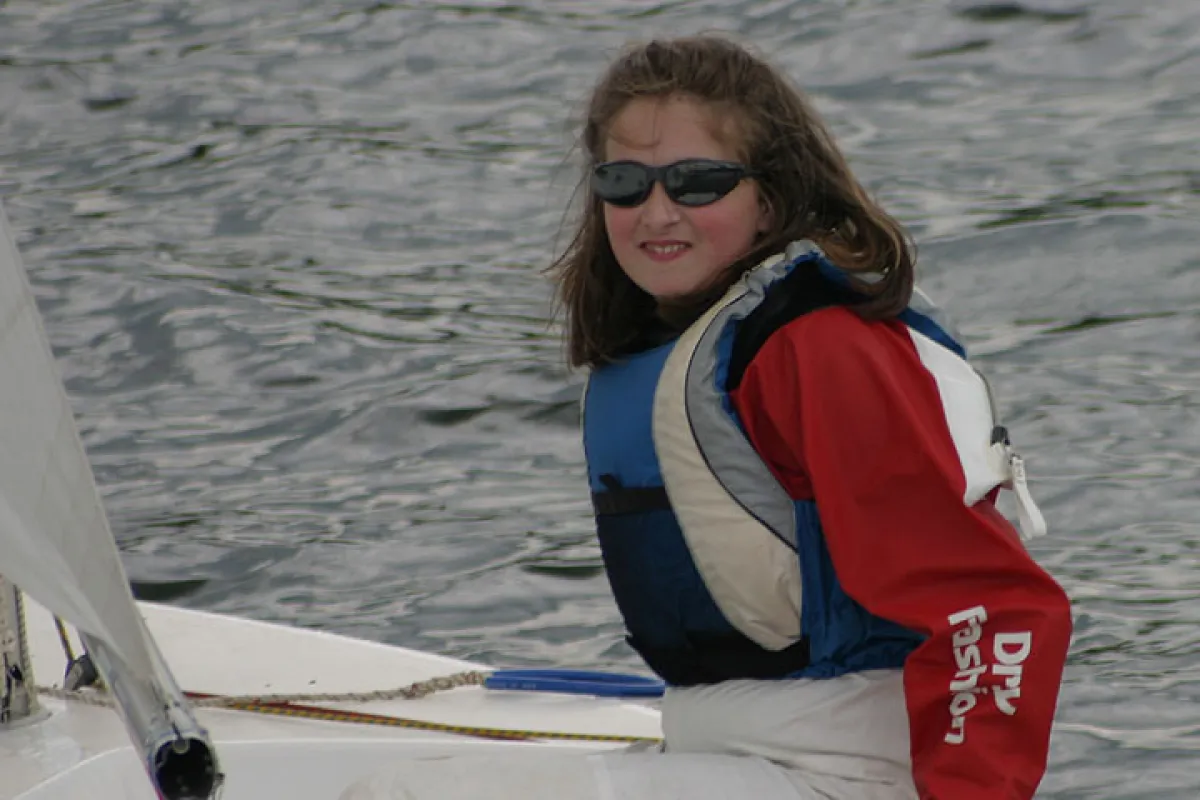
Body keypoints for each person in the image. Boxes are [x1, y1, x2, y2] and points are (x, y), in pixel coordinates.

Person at [548, 35, 1073, 800]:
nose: (656, 211)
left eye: (699, 182)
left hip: (844, 764)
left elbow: (992, 607)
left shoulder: (817, 347)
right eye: (625, 181)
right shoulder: (673, 348)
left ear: (769, 198)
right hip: (724, 743)